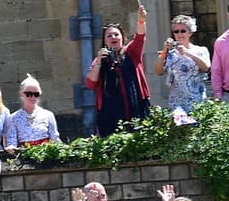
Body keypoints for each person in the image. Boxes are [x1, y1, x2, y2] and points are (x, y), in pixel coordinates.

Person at [85, 9, 151, 137]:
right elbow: (90, 84)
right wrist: (98, 62)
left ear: (122, 38)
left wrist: (141, 20)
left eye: (116, 34)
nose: (113, 37)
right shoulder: (99, 59)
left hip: (135, 103)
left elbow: (140, 37)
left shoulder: (131, 52)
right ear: (104, 41)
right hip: (110, 107)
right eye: (109, 36)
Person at [153, 14, 211, 113]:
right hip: (177, 103)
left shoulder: (201, 50)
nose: (179, 34)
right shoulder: (170, 54)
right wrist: (164, 51)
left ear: (190, 32)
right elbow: (158, 72)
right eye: (176, 31)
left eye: (183, 31)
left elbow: (206, 68)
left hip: (197, 99)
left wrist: (187, 53)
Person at [4, 75, 61, 154]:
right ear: (21, 94)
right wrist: (11, 148)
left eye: (36, 94)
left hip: (46, 157)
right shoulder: (13, 118)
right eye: (29, 94)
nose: (33, 97)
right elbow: (12, 142)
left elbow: (55, 140)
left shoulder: (48, 115)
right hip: (24, 158)